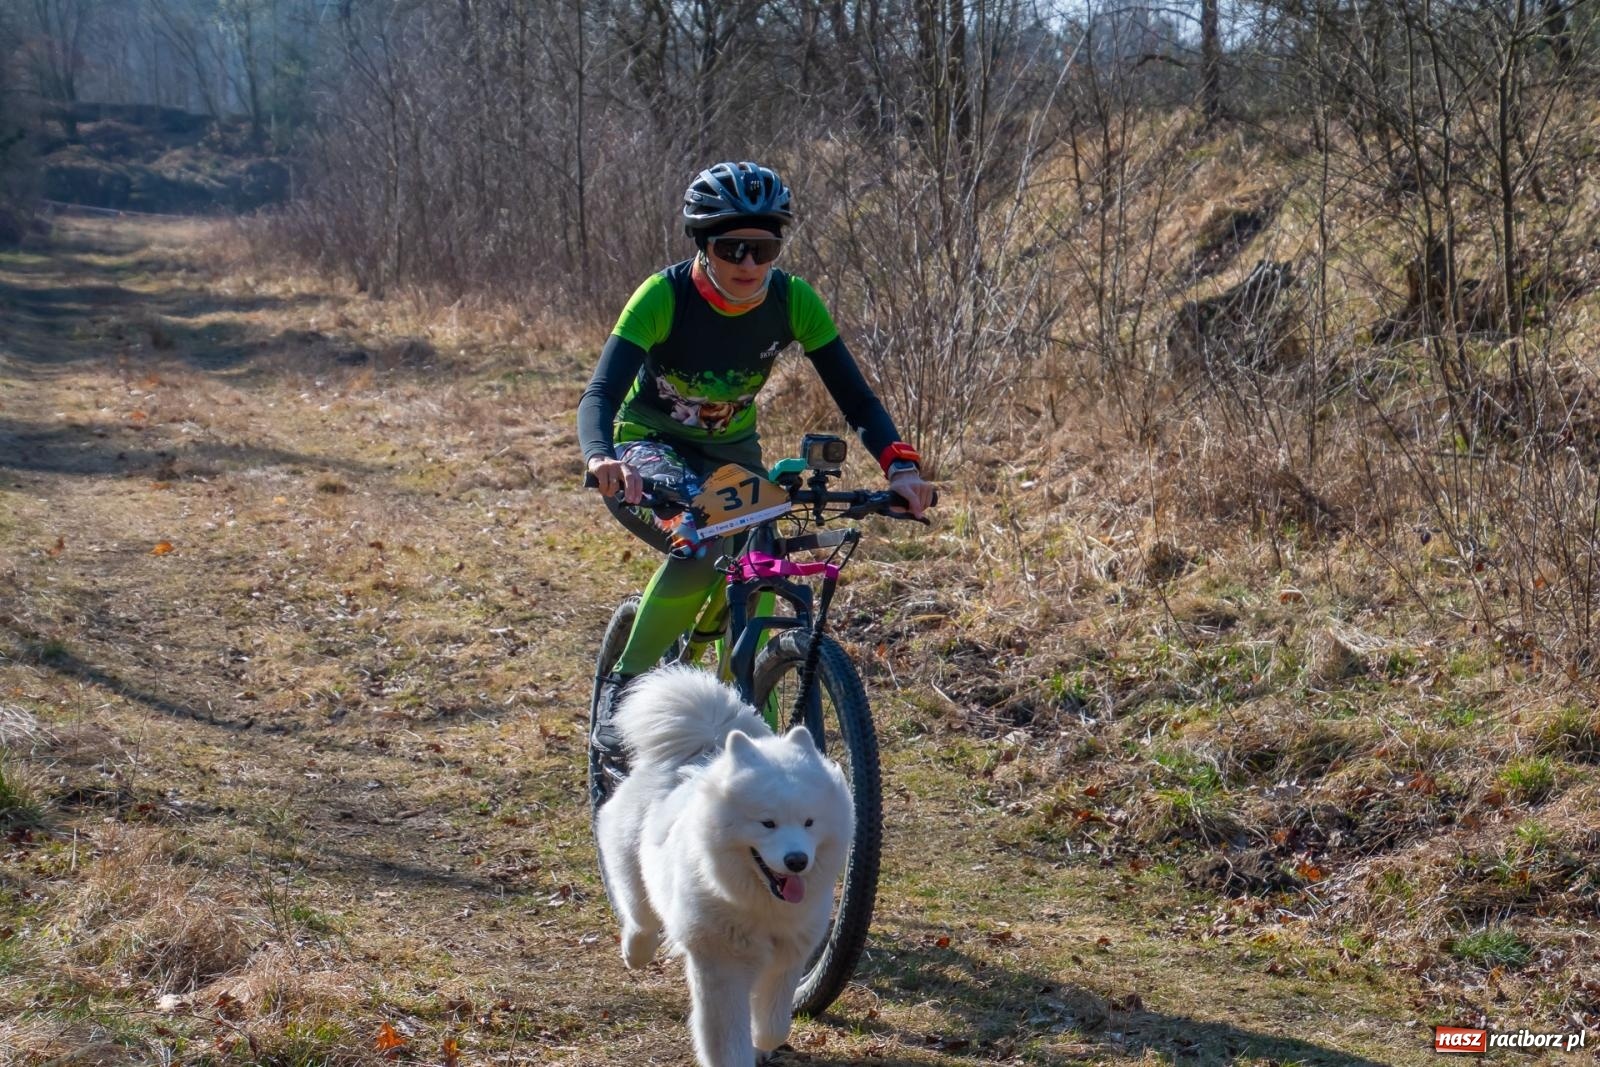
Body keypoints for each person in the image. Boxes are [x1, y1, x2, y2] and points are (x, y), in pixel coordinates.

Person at [578, 161, 936, 768]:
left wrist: (898, 468)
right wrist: (602, 456)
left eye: (763, 248)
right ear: (703, 245)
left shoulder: (794, 300)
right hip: (648, 450)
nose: (748, 263)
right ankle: (626, 689)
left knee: (754, 555)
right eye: (731, 247)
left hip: (731, 456)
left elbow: (857, 399)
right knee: (702, 546)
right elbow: (600, 394)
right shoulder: (664, 296)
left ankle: (735, 691)